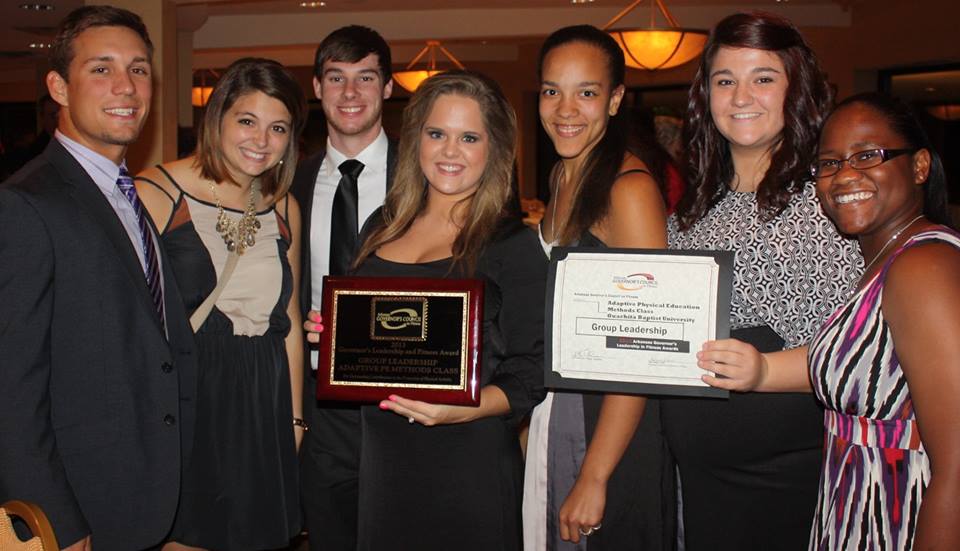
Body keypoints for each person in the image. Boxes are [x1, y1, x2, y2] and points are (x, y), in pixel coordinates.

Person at [700, 92, 960, 551]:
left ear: (919, 167)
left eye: (867, 156)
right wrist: (759, 371)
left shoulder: (924, 267)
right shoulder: (884, 261)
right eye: (829, 163)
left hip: (901, 518)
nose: (846, 175)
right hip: (856, 509)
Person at [302, 70, 542, 550]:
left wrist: (462, 410)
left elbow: (533, 372)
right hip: (381, 460)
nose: (449, 151)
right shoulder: (383, 224)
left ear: (494, 149)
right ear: (416, 140)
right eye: (437, 134)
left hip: (465, 464)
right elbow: (368, 328)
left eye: (468, 137)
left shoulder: (511, 242)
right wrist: (333, 336)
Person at [0, 6, 197, 551]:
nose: (125, 86)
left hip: (144, 491)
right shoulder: (25, 204)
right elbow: (11, 388)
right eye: (102, 69)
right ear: (59, 87)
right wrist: (54, 521)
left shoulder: (124, 193)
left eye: (138, 69)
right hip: (83, 506)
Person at [665, 12, 862, 550]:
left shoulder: (826, 201)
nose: (741, 95)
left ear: (795, 89)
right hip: (702, 479)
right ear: (705, 94)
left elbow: (859, 352)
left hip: (788, 478)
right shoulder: (696, 206)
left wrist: (763, 371)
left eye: (763, 78)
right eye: (725, 80)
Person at [134, 57, 306, 550]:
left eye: (278, 128)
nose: (261, 140)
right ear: (217, 119)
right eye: (246, 121)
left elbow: (288, 323)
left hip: (262, 395)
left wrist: (294, 419)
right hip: (190, 393)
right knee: (188, 537)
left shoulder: (283, 204)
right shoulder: (158, 191)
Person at [522, 25, 675, 550]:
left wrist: (595, 475)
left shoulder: (629, 190)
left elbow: (645, 347)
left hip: (608, 421)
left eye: (586, 93)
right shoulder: (565, 175)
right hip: (560, 404)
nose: (566, 109)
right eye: (551, 91)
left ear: (614, 101)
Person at [288, 25, 397, 551]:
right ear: (316, 87)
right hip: (320, 405)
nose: (350, 93)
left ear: (389, 88)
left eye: (365, 78)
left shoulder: (426, 178)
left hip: (405, 399)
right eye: (336, 78)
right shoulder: (289, 185)